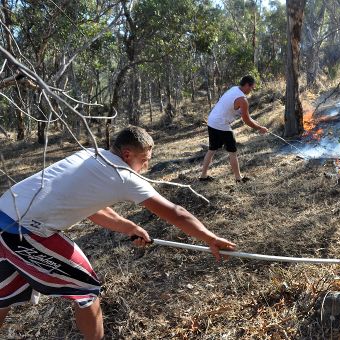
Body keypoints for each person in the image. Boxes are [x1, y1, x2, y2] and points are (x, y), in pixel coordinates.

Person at [0, 126, 236, 340]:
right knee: (87, 289)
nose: (145, 167)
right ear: (127, 154)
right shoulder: (124, 175)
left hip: (4, 214)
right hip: (25, 230)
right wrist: (211, 239)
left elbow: (93, 209)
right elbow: (176, 213)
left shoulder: (89, 155)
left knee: (4, 294)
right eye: (143, 160)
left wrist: (130, 227)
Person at [200, 75, 268, 183]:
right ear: (246, 85)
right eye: (251, 88)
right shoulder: (242, 99)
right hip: (221, 124)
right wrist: (259, 128)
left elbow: (247, 117)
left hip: (212, 120)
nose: (251, 90)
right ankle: (238, 178)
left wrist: (258, 125)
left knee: (212, 149)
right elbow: (246, 120)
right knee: (232, 151)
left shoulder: (234, 89)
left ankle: (203, 176)